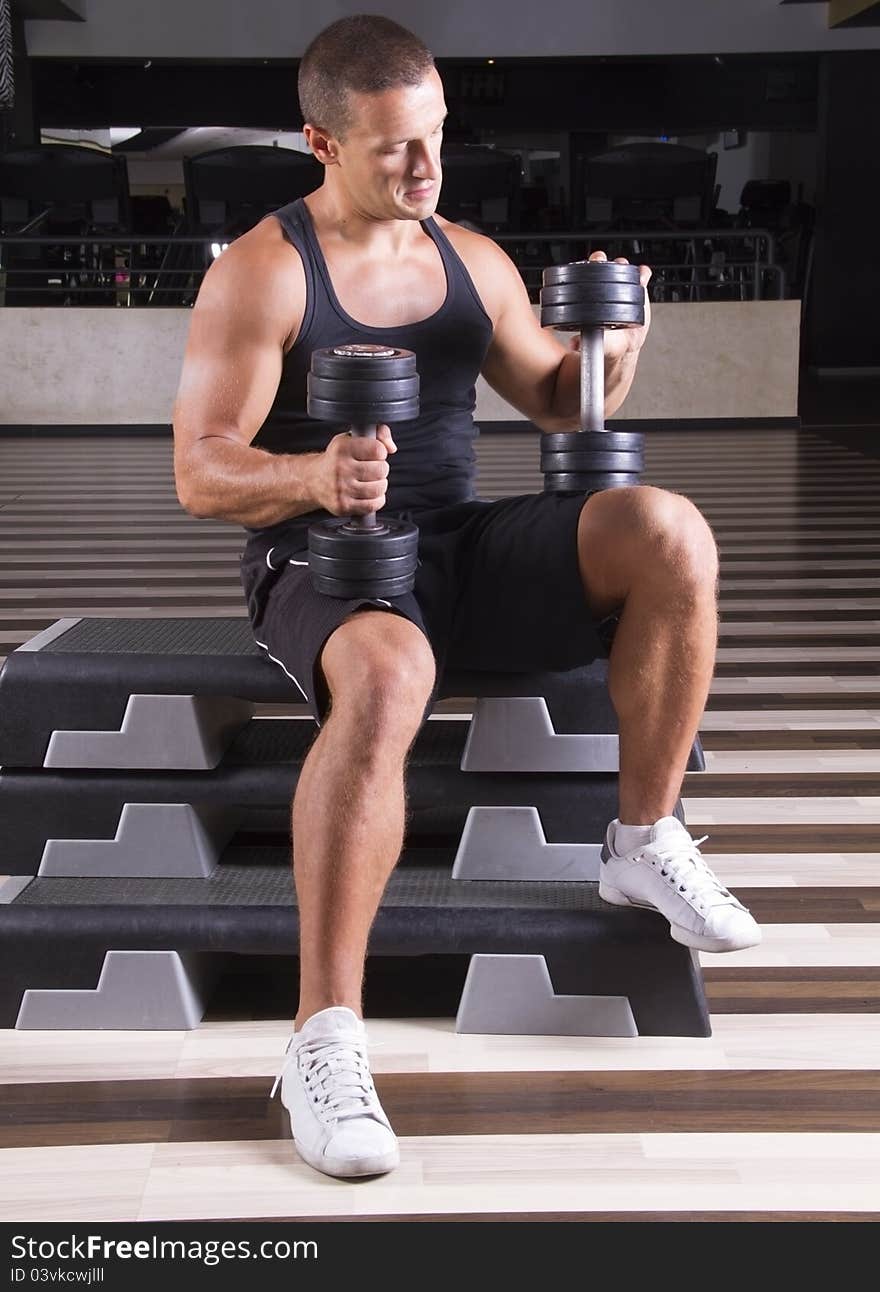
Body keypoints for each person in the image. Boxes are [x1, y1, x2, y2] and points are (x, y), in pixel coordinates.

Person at [172, 13, 761, 1182]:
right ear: (321, 143)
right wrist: (306, 473)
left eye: (436, 137)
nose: (427, 167)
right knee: (392, 671)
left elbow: (556, 404)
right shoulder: (263, 269)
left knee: (668, 532)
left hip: (455, 541)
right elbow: (199, 467)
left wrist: (615, 338)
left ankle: (640, 840)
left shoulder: (469, 257)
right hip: (321, 557)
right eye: (395, 147)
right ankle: (321, 1038)